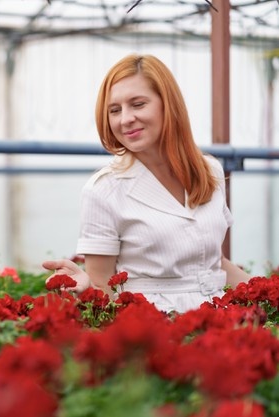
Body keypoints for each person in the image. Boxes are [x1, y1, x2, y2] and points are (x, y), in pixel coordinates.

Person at [42, 53, 251, 314]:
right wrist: (86, 288)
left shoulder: (210, 171)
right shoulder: (103, 190)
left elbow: (214, 264)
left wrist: (268, 290)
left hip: (220, 320)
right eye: (115, 110)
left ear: (169, 104)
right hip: (153, 327)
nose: (125, 119)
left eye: (138, 104)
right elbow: (102, 288)